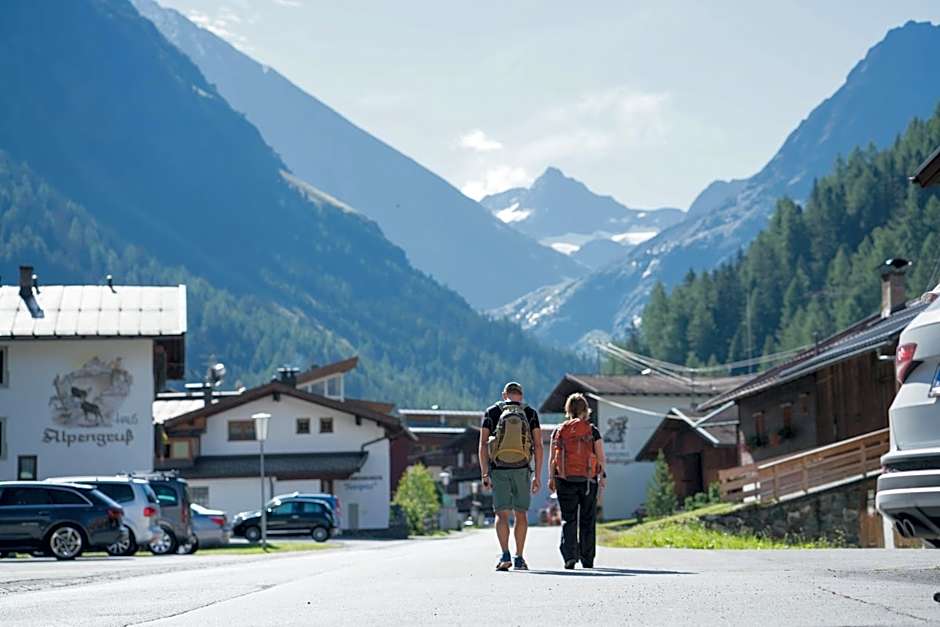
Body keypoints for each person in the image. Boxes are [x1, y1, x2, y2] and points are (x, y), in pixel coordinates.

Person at [479, 381, 542, 571]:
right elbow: (538, 446)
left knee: (501, 513)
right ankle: (519, 557)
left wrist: (484, 472)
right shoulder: (530, 413)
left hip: (499, 469)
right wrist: (537, 476)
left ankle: (505, 554)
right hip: (522, 469)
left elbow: (483, 444)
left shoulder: (491, 412)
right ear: (521, 395)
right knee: (521, 513)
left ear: (504, 394)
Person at [549, 392, 606, 569]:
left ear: (568, 409)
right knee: (588, 519)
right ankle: (587, 559)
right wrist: (602, 476)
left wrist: (552, 478)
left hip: (564, 479)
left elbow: (553, 458)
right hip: (588, 480)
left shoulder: (559, 430)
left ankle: (569, 556)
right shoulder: (592, 430)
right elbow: (601, 456)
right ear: (585, 410)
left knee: (569, 518)